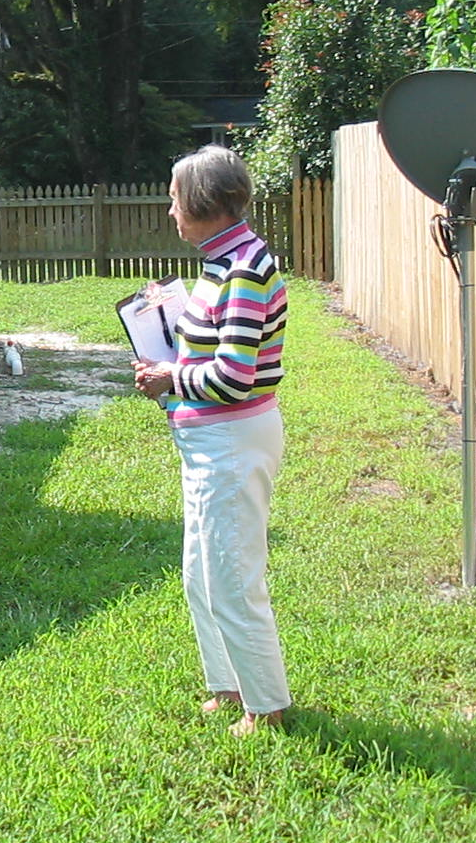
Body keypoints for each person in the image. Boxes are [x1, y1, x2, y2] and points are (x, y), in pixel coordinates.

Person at [133, 145, 290, 736]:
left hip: (231, 440)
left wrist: (168, 377)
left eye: (174, 197)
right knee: (201, 571)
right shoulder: (220, 263)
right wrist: (170, 317)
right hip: (207, 441)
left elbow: (232, 377)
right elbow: (215, 344)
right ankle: (229, 686)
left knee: (232, 573)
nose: (169, 209)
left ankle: (267, 705)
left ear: (201, 202)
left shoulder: (246, 269)